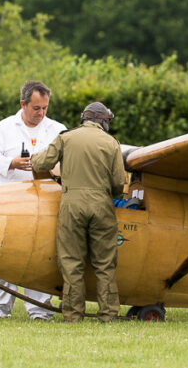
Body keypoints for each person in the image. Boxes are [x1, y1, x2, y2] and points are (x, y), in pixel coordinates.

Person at [31, 102, 127, 323]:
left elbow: (42, 162)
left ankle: (73, 315)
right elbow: (118, 183)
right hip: (101, 205)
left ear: (84, 118)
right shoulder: (111, 143)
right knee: (104, 263)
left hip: (71, 205)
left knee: (71, 261)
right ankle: (108, 315)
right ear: (103, 121)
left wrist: (34, 157)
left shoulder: (66, 138)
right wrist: (111, 195)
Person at [0, 80, 66, 320]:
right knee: (3, 256)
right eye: (36, 108)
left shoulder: (58, 129)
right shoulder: (4, 127)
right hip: (8, 205)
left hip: (45, 206)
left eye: (45, 108)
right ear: (23, 104)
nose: (41, 113)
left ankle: (40, 311)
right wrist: (11, 163)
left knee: (41, 256)